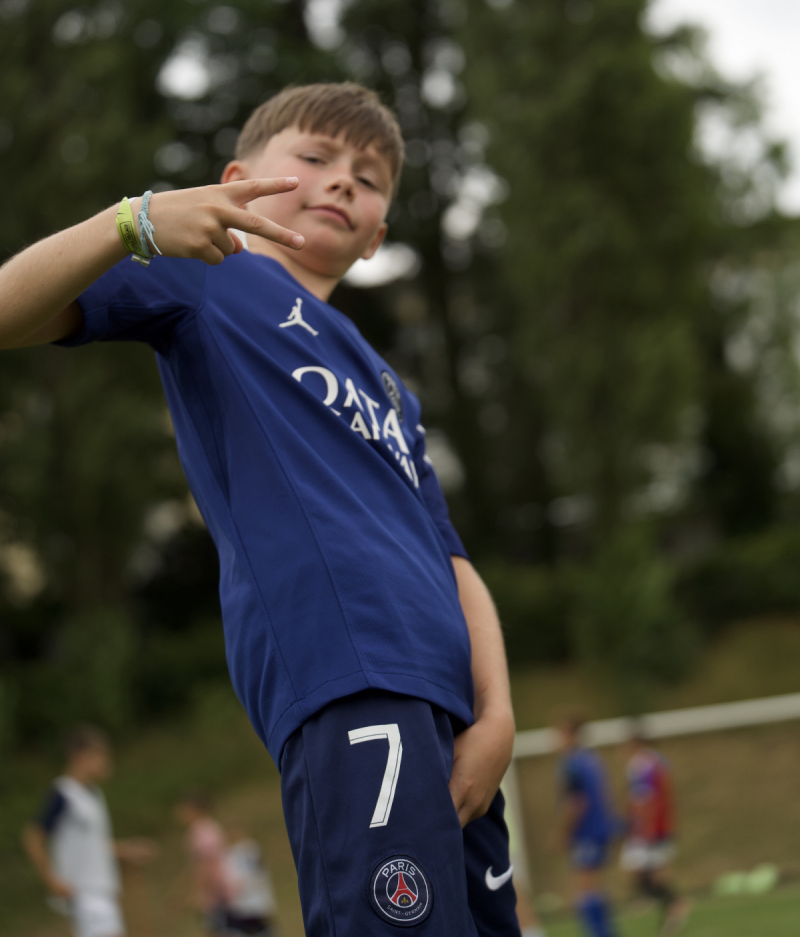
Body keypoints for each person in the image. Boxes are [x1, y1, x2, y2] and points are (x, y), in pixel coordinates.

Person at [1, 82, 519, 937]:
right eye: (315, 157)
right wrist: (132, 223)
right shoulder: (208, 279)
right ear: (237, 182)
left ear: (377, 236)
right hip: (353, 672)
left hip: (458, 712)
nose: (344, 180)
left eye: (369, 178)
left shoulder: (391, 388)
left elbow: (452, 555)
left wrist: (497, 712)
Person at [22, 725, 154, 937]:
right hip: (84, 893)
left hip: (103, 891)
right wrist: (52, 880)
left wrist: (126, 850)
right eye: (101, 755)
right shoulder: (63, 794)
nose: (106, 762)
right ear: (79, 756)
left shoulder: (94, 794)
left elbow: (94, 846)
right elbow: (33, 837)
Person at [620, 726, 691, 935]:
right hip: (657, 825)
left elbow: (646, 797)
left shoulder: (641, 764)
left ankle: (674, 904)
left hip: (649, 827)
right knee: (651, 872)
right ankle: (670, 907)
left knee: (639, 868)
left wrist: (646, 825)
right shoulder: (658, 761)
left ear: (635, 744)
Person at [554, 718, 617, 937]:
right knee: (594, 886)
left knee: (585, 888)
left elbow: (577, 802)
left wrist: (564, 833)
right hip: (600, 829)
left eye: (559, 734)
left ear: (571, 735)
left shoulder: (571, 763)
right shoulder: (593, 759)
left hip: (586, 832)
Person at [175, 793, 233, 934]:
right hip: (219, 889)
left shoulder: (202, 832)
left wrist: (199, 893)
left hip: (215, 891)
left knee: (216, 930)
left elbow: (207, 865)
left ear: (195, 810)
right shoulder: (209, 827)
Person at [224, 824, 278, 935]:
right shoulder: (249, 849)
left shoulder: (240, 852)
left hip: (244, 901)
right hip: (253, 900)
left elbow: (240, 877)